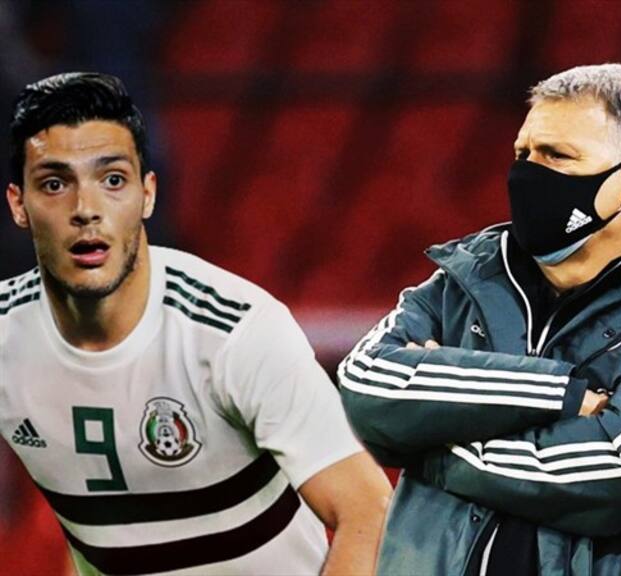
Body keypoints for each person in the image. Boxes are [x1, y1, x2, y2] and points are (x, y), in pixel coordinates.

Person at [339, 64, 621, 575]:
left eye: (556, 156)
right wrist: (557, 396)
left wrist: (437, 448)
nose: (527, 173)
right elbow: (366, 385)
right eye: (523, 154)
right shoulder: (459, 286)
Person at [1, 72, 391, 576]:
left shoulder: (233, 331)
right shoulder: (8, 336)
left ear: (147, 195)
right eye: (55, 184)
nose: (86, 210)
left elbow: (370, 513)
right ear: (19, 205)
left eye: (112, 180)